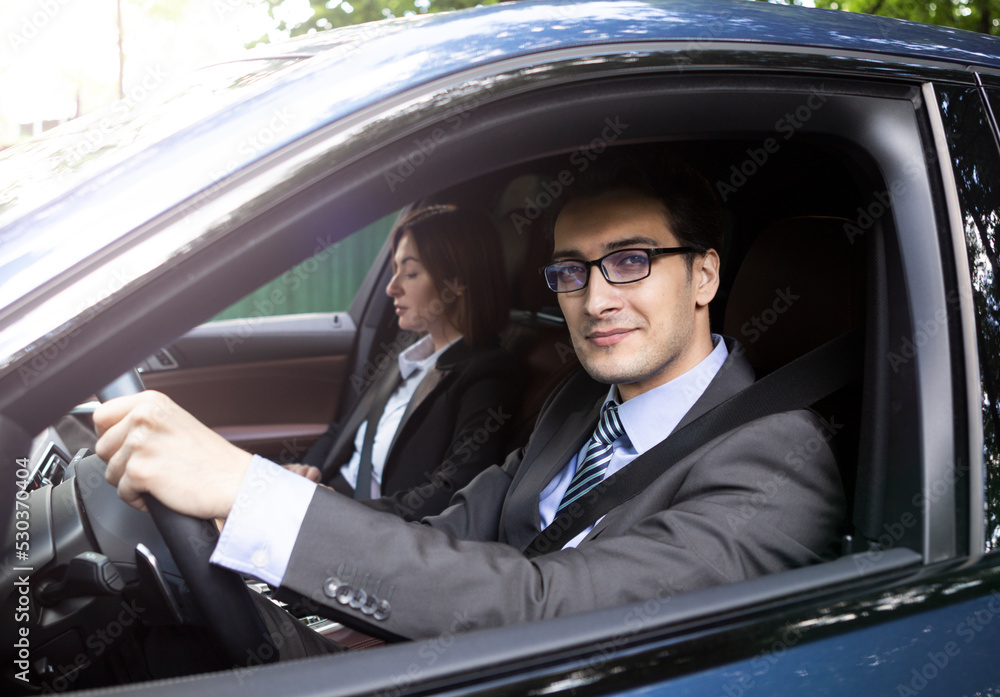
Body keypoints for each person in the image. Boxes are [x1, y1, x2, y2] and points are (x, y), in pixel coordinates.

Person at [95, 148, 844, 644]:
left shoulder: (777, 459)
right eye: (571, 272)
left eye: (630, 261)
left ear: (706, 276)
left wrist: (247, 489)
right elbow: (452, 524)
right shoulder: (578, 404)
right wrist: (253, 502)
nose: (595, 298)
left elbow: (544, 607)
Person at [286, 205, 520, 522]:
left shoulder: (488, 375)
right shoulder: (408, 354)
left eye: (409, 273)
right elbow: (343, 431)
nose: (391, 287)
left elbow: (451, 492)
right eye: (396, 270)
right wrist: (305, 471)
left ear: (455, 283)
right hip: (325, 502)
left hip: (370, 528)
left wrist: (341, 512)